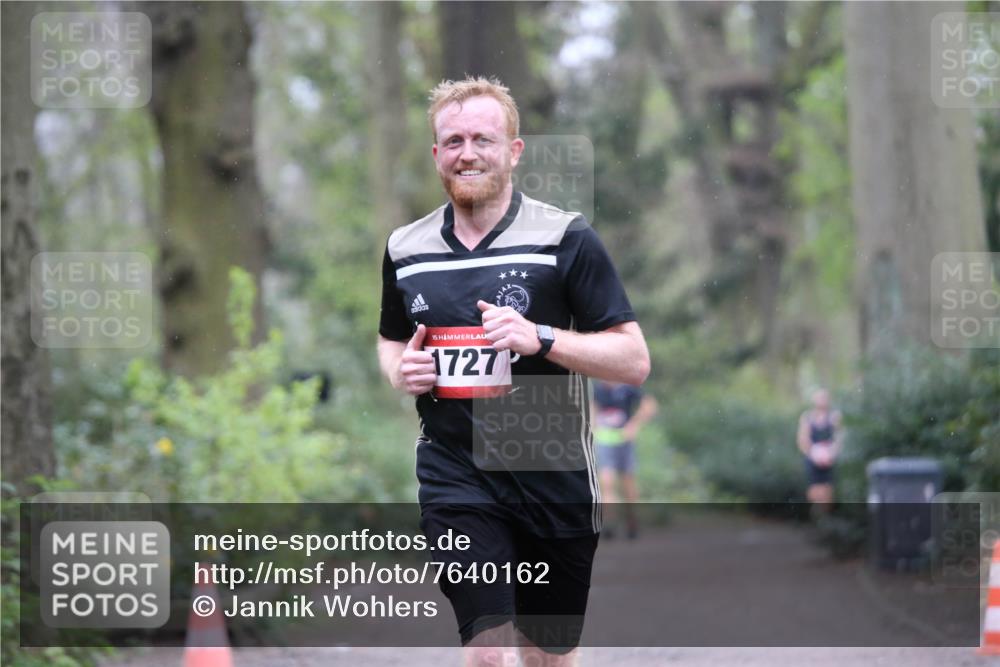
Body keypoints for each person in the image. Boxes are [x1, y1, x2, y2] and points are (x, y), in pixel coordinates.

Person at [377, 76, 650, 667]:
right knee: (487, 650)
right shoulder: (406, 248)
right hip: (455, 472)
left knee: (546, 656)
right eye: (452, 141)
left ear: (514, 150)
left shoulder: (565, 239)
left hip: (551, 469)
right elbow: (391, 340)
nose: (467, 153)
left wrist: (542, 338)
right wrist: (404, 371)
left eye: (482, 138)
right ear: (436, 154)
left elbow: (633, 360)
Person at [592, 380, 657, 539]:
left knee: (628, 484)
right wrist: (593, 428)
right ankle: (609, 522)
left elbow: (650, 405)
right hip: (605, 442)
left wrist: (634, 425)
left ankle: (632, 520)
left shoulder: (628, 388)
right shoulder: (598, 389)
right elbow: (593, 409)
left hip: (625, 442)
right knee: (607, 482)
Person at [796, 388, 843, 513]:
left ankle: (826, 517)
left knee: (828, 490)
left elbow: (839, 439)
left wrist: (831, 454)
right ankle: (817, 515)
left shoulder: (834, 417)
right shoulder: (807, 417)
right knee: (814, 489)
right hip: (812, 459)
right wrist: (814, 455)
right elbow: (802, 440)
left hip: (829, 459)